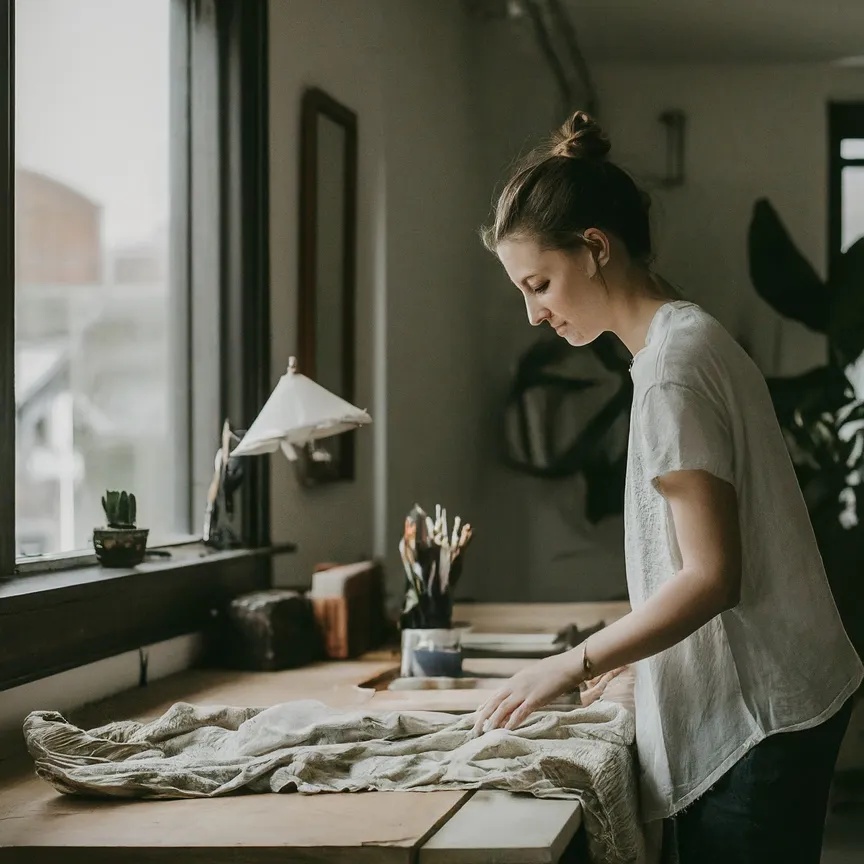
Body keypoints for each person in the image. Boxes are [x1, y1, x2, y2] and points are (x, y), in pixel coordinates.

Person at [473, 110, 864, 863]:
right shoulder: (690, 339)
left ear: (594, 248)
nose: (534, 313)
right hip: (789, 696)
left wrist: (568, 662)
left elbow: (713, 578)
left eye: (540, 283)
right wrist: (636, 653)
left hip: (765, 716)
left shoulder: (673, 373)